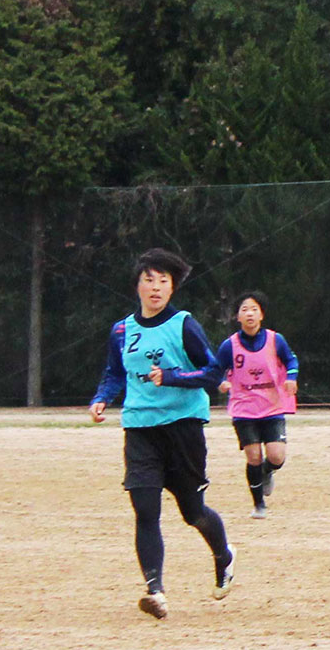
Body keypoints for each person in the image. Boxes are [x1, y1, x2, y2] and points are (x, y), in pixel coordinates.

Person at [88, 248, 234, 619]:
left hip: (183, 428)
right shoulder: (122, 330)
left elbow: (212, 373)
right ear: (137, 285)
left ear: (173, 288)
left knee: (192, 512)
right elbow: (115, 372)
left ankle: (223, 555)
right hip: (140, 428)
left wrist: (171, 377)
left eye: (163, 281)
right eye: (149, 279)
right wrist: (102, 398)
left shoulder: (184, 325)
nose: (155, 287)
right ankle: (156, 591)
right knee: (145, 509)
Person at [213, 291, 300, 519]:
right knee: (252, 456)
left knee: (276, 456)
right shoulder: (229, 346)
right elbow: (215, 369)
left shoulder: (275, 340)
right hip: (244, 409)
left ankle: (267, 471)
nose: (249, 313)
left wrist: (291, 377)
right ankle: (259, 504)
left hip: (272, 406)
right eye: (244, 309)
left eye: (254, 309)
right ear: (237, 317)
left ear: (261, 315)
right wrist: (221, 382)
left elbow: (291, 360)